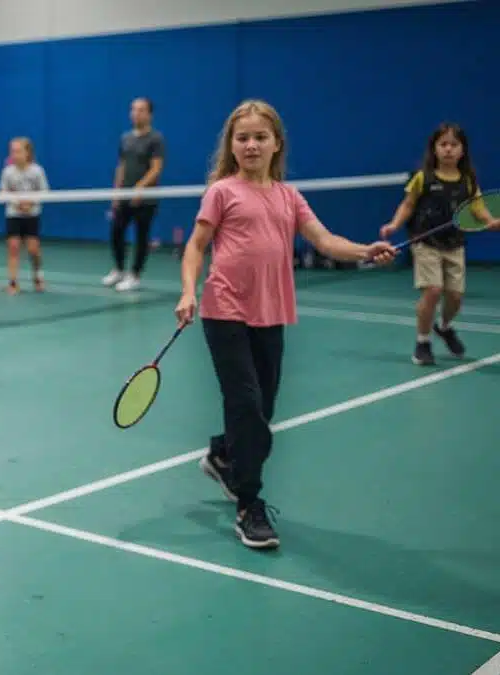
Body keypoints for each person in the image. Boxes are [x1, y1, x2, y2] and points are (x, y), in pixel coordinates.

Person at [175, 100, 396, 550]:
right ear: (231, 146)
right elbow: (196, 246)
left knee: (263, 410)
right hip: (225, 310)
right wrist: (186, 291)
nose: (251, 144)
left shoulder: (288, 196)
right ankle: (248, 504)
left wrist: (364, 251)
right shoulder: (221, 192)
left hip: (271, 312)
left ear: (277, 143)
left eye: (260, 137)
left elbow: (325, 240)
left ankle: (223, 453)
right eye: (243, 137)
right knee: (247, 405)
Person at [380, 123, 500, 366]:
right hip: (425, 242)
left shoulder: (467, 180)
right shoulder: (423, 177)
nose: (448, 149)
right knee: (433, 290)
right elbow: (408, 204)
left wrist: (490, 221)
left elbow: (476, 207)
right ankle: (422, 342)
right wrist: (394, 224)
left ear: (462, 150)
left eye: (454, 145)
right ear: (434, 149)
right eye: (443, 144)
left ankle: (444, 327)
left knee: (455, 296)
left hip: (454, 244)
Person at [103, 97, 165, 292]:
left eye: (140, 110)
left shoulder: (156, 139)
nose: (135, 113)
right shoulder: (125, 138)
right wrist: (116, 191)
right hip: (124, 195)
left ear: (149, 114)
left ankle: (135, 275)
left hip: (145, 198)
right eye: (133, 109)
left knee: (141, 237)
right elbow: (121, 166)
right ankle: (119, 270)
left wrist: (140, 188)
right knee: (116, 232)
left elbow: (156, 169)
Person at [0, 137, 49, 294]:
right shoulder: (7, 172)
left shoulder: (37, 171)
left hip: (32, 215)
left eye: (18, 151)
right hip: (13, 214)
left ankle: (38, 276)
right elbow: (2, 192)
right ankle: (13, 282)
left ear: (28, 153)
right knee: (13, 247)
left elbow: (45, 192)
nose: (14, 154)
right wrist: (17, 203)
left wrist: (31, 203)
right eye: (12, 151)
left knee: (33, 249)